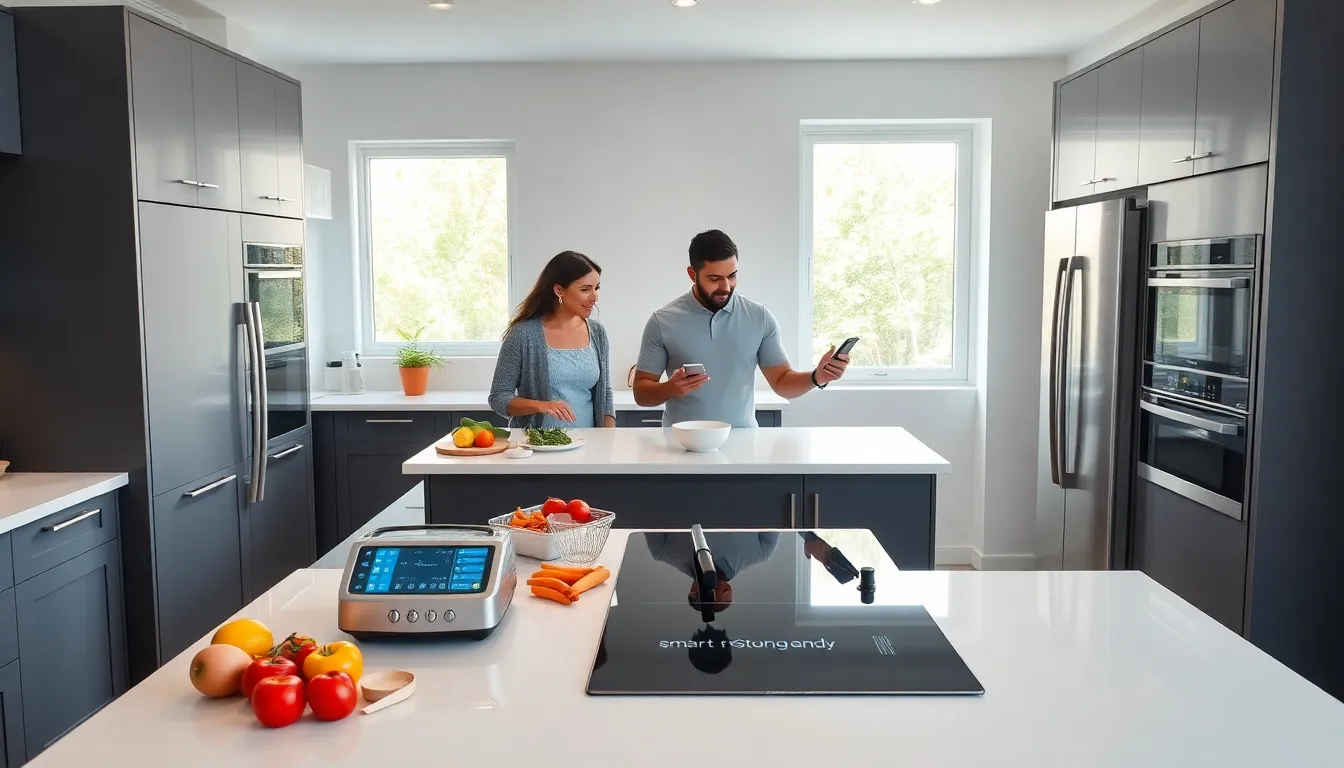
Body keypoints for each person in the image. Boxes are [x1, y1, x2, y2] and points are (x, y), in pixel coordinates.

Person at [633, 229, 850, 428]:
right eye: (715, 278)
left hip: (743, 445)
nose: (726, 287)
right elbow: (641, 393)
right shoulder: (662, 321)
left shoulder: (759, 318)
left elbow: (782, 381)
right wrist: (671, 388)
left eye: (732, 275)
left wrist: (818, 377)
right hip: (681, 445)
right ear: (692, 274)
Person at [489, 251, 615, 429]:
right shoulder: (523, 335)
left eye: (597, 288)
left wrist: (609, 440)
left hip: (589, 446)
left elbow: (605, 394)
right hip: (536, 446)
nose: (594, 297)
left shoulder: (597, 332)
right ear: (559, 290)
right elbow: (498, 397)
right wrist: (541, 405)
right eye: (585, 289)